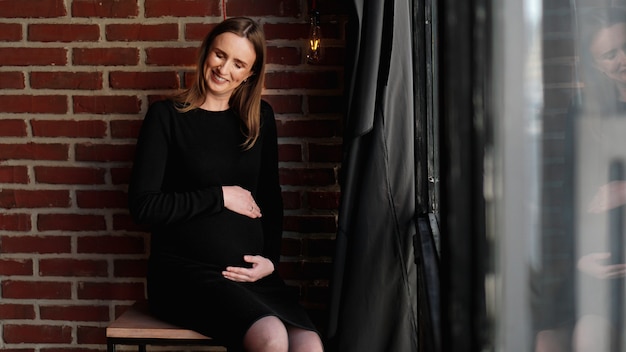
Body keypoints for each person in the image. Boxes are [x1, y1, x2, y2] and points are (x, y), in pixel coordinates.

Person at [128, 17, 324, 352]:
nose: (224, 69)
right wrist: (219, 196)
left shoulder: (259, 118)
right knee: (271, 337)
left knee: (309, 344)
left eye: (238, 63)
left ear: (250, 73)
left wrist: (270, 262)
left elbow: (270, 200)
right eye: (220, 55)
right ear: (206, 53)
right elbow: (143, 206)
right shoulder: (167, 117)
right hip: (183, 275)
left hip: (249, 277)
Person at [535, 7, 626, 352]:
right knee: (546, 341)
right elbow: (570, 196)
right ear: (597, 63)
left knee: (590, 340)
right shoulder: (584, 110)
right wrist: (580, 257)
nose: (623, 59)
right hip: (596, 262)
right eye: (610, 54)